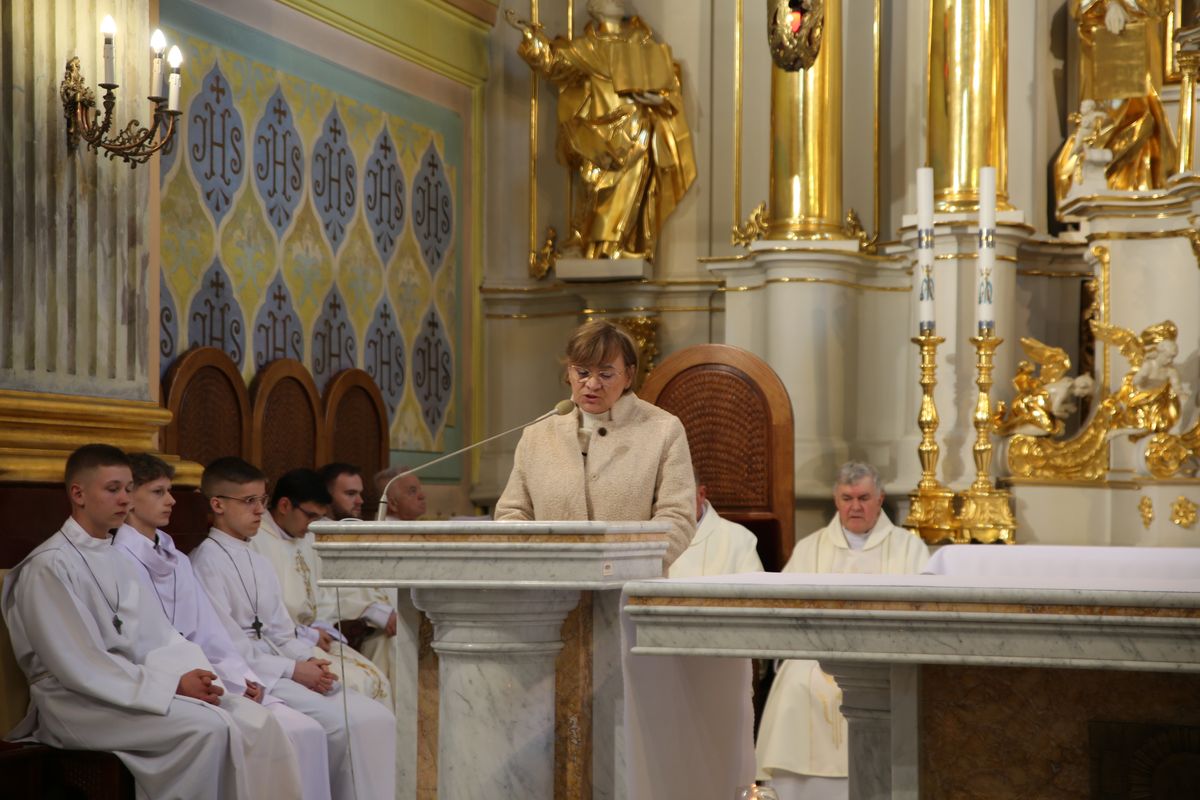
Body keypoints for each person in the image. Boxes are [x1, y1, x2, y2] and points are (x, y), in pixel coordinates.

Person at [1, 444, 252, 800]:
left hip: (125, 687)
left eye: (129, 488)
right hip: (73, 702)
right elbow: (79, 666)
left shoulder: (116, 557)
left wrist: (198, 677)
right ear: (78, 494)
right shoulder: (49, 566)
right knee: (206, 729)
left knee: (232, 717)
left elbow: (160, 637)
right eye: (113, 489)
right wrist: (171, 685)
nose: (125, 499)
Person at [115, 453, 328, 800]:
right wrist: (216, 680)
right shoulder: (117, 561)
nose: (171, 500)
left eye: (169, 490)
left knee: (297, 728)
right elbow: (138, 643)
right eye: (158, 492)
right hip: (168, 683)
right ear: (129, 498)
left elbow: (208, 632)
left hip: (210, 676)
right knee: (263, 730)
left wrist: (241, 679)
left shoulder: (177, 560)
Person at [189, 457, 397, 800]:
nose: (260, 510)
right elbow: (227, 647)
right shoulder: (205, 562)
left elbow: (282, 632)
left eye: (262, 500)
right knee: (344, 724)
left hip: (282, 665)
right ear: (217, 505)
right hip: (255, 675)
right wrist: (293, 670)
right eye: (249, 501)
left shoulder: (257, 560)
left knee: (378, 717)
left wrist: (309, 661)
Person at [755, 462, 930, 800]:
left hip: (887, 655)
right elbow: (786, 609)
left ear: (880, 499)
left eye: (863, 498)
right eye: (847, 498)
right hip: (816, 653)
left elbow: (920, 613)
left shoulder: (909, 548)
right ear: (836, 500)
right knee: (794, 683)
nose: (855, 507)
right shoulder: (811, 548)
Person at [495, 319, 696, 567]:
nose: (592, 384)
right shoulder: (538, 434)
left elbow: (678, 517)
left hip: (627, 583)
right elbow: (511, 514)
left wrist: (625, 565)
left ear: (629, 375)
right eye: (582, 372)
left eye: (606, 374)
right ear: (569, 372)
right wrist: (541, 564)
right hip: (549, 584)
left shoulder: (663, 430)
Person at [506, 0, 697, 260]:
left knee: (632, 185)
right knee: (595, 186)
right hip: (599, 133)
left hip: (636, 129)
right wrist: (530, 36)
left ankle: (616, 246)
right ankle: (592, 245)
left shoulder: (641, 43)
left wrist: (657, 99)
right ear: (596, 8)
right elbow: (553, 62)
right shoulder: (588, 47)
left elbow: (667, 85)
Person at [240, 468, 393, 707]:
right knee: (355, 684)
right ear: (284, 505)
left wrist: (322, 626)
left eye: (319, 517)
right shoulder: (254, 541)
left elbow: (324, 596)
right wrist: (305, 633)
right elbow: (258, 615)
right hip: (280, 646)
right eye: (310, 516)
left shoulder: (309, 536)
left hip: (313, 639)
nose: (314, 525)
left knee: (377, 679)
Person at [318, 462, 399, 685]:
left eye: (360, 493)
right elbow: (320, 593)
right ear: (326, 496)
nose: (360, 501)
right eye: (350, 494)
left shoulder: (353, 531)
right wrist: (377, 613)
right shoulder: (313, 535)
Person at [668, 472, 764, 578]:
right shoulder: (656, 539)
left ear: (701, 494)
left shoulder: (740, 539)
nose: (673, 505)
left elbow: (755, 586)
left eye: (681, 497)